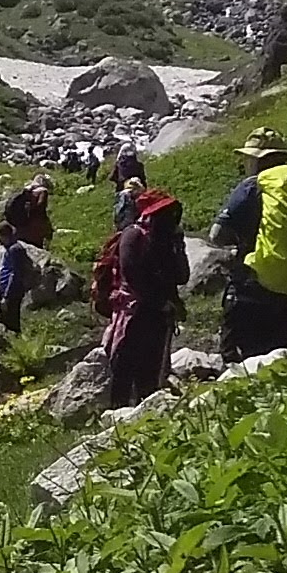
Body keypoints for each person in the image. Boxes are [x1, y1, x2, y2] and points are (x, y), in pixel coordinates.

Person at [206, 132, 287, 360]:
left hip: (256, 288)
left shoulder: (253, 185)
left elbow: (216, 235)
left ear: (257, 159)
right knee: (283, 362)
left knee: (241, 362)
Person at [91, 149, 183, 406]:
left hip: (151, 310)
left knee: (148, 367)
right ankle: (119, 412)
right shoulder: (134, 237)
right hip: (136, 310)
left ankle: (144, 409)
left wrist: (178, 245)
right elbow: (133, 276)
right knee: (127, 365)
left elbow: (181, 275)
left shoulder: (162, 239)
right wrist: (161, 301)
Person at [0, 170, 55, 332]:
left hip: (23, 228)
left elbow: (13, 273)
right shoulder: (42, 192)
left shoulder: (25, 191)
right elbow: (40, 208)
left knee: (9, 318)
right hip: (34, 227)